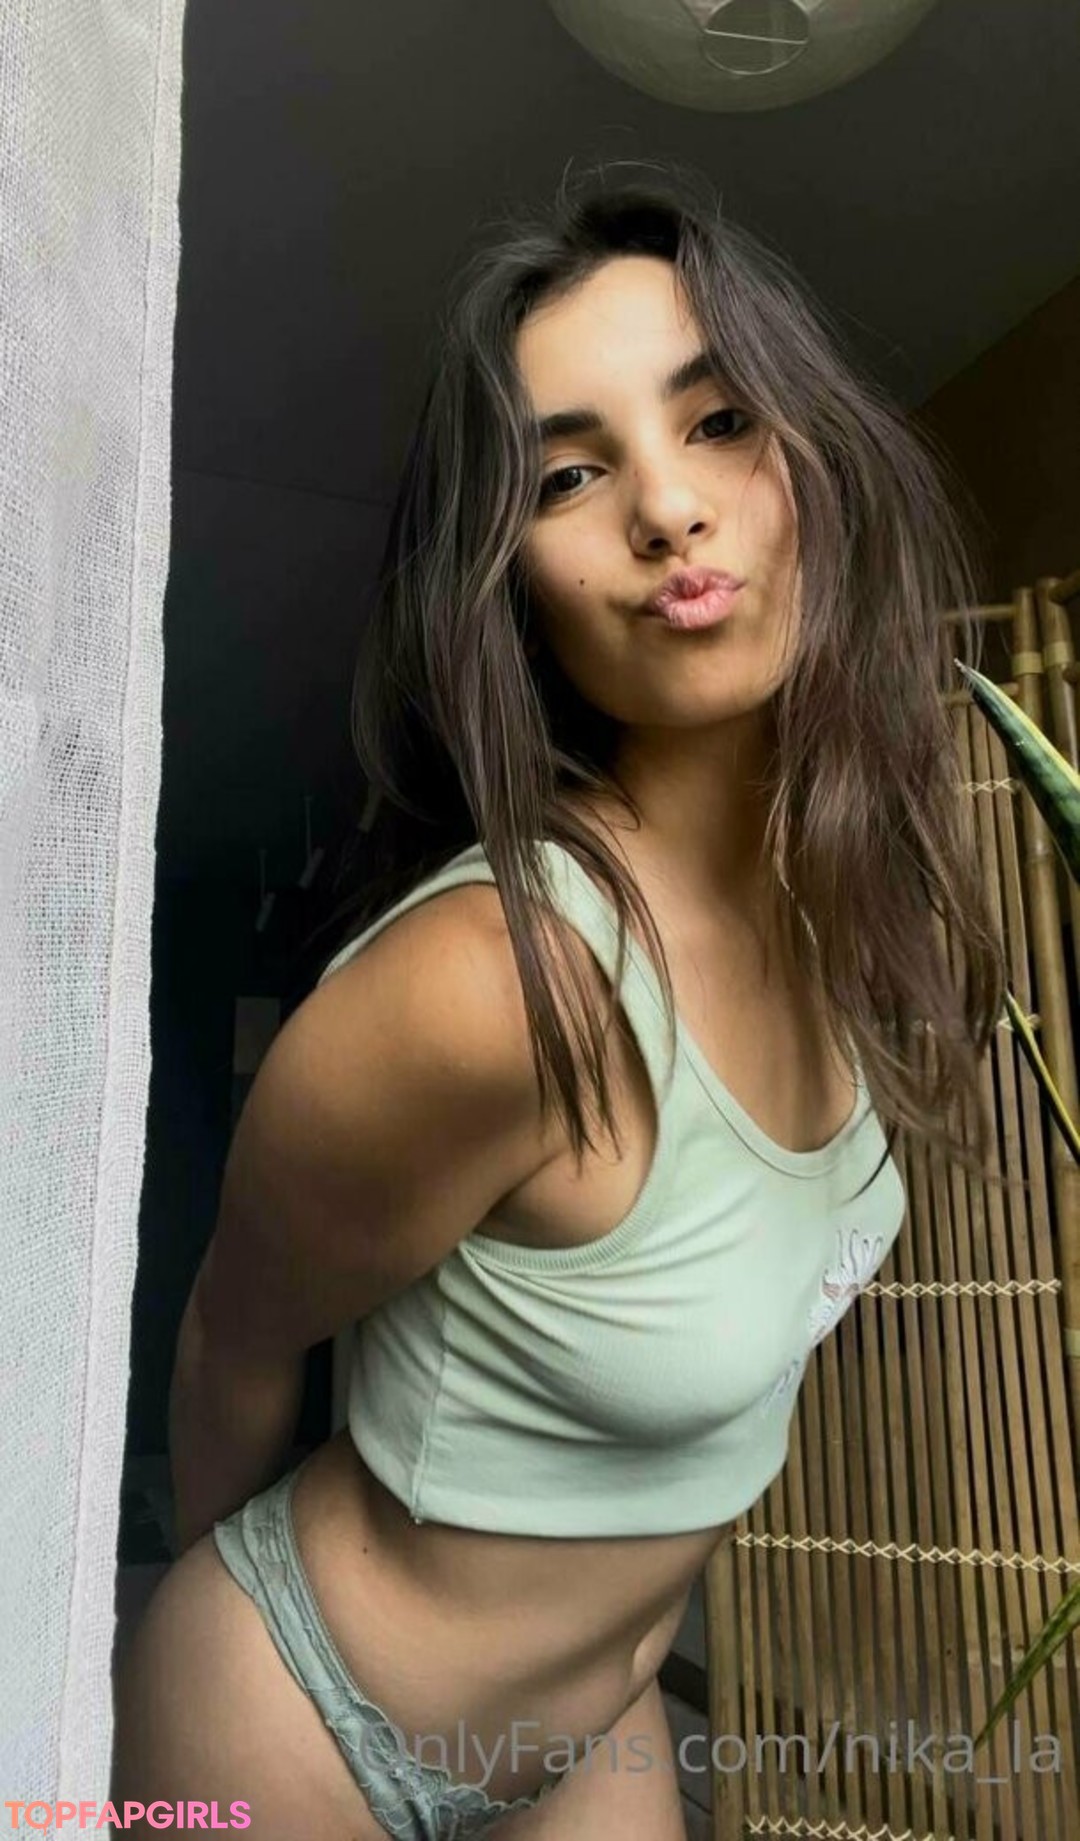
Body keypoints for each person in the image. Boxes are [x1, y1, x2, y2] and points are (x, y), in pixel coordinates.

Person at [111, 161, 1008, 1840]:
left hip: (593, 1740)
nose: (667, 508)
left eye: (721, 420)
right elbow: (235, 1335)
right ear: (510, 580)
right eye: (572, 474)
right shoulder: (499, 984)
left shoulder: (859, 914)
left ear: (817, 457)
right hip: (295, 1724)